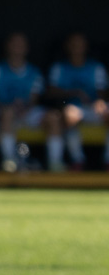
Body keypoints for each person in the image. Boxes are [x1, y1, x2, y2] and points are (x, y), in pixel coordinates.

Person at [43, 31, 107, 171]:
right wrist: (73, 93)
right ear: (67, 46)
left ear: (86, 47)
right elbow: (51, 93)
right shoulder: (59, 67)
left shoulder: (96, 67)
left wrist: (100, 102)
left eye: (80, 44)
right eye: (73, 44)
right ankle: (77, 161)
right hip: (69, 109)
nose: (77, 47)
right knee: (70, 114)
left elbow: (102, 94)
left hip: (92, 109)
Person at [0, 31, 44, 172]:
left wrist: (24, 108)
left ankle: (56, 163)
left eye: (21, 44)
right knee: (8, 113)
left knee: (53, 117)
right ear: (7, 46)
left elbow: (34, 99)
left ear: (27, 48)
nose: (17, 47)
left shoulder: (34, 72)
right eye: (14, 44)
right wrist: (7, 107)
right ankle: (9, 160)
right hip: (2, 112)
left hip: (27, 112)